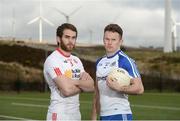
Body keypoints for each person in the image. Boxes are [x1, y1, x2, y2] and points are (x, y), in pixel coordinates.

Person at [91, 24, 144, 120]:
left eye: (113, 40)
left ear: (120, 41)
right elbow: (97, 93)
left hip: (120, 114)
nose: (109, 42)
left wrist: (119, 88)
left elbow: (139, 88)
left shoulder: (125, 60)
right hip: (104, 116)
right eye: (107, 39)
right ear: (103, 40)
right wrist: (94, 117)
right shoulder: (99, 62)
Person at [43, 23, 94, 121]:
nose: (70, 41)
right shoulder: (53, 60)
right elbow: (67, 91)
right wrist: (83, 86)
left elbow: (92, 86)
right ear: (58, 39)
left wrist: (74, 82)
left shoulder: (77, 60)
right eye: (67, 37)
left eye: (73, 38)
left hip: (76, 114)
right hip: (59, 114)